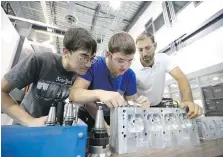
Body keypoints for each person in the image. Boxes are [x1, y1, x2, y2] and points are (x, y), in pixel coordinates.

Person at [1, 27, 97, 127]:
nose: (88, 64)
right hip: (25, 128)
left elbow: (88, 103)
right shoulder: (40, 60)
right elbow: (1, 92)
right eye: (83, 57)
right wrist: (30, 121)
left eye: (92, 58)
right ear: (66, 52)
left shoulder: (82, 76)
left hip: (54, 130)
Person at [69, 32, 150, 133]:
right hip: (87, 117)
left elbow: (131, 104)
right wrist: (101, 93)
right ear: (108, 54)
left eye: (129, 61)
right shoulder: (93, 65)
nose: (125, 66)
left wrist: (140, 106)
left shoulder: (130, 75)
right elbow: (73, 94)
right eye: (120, 60)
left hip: (113, 117)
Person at [131, 31, 202, 119]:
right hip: (140, 109)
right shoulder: (132, 69)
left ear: (155, 46)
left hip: (158, 105)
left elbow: (181, 78)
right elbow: (128, 96)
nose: (144, 53)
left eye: (148, 48)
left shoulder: (163, 59)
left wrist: (188, 101)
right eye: (140, 50)